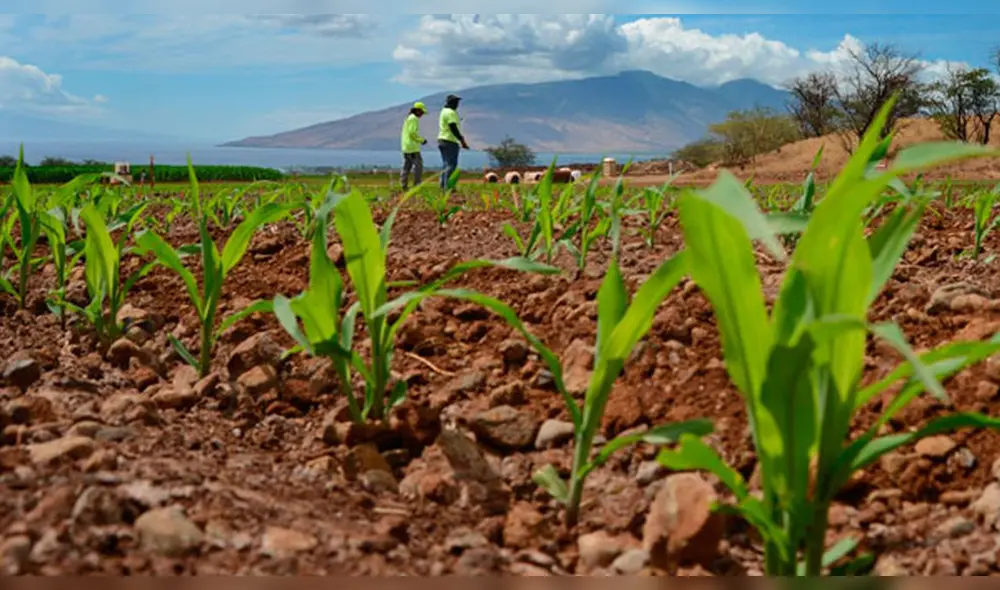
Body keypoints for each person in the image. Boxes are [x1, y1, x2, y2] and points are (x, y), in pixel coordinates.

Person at [437, 94, 470, 191]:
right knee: (451, 165)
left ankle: (443, 185)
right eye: (455, 102)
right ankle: (449, 187)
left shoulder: (444, 111)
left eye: (457, 102)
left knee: (446, 164)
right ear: (450, 103)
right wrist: (461, 139)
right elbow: (453, 127)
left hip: (442, 140)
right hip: (449, 141)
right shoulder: (450, 112)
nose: (457, 104)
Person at [400, 101, 428, 191]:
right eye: (422, 112)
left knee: (406, 166)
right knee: (418, 166)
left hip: (406, 147)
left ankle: (403, 185)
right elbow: (412, 133)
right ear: (417, 110)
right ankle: (417, 185)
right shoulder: (414, 119)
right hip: (412, 148)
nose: (422, 114)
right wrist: (422, 140)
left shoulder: (408, 118)